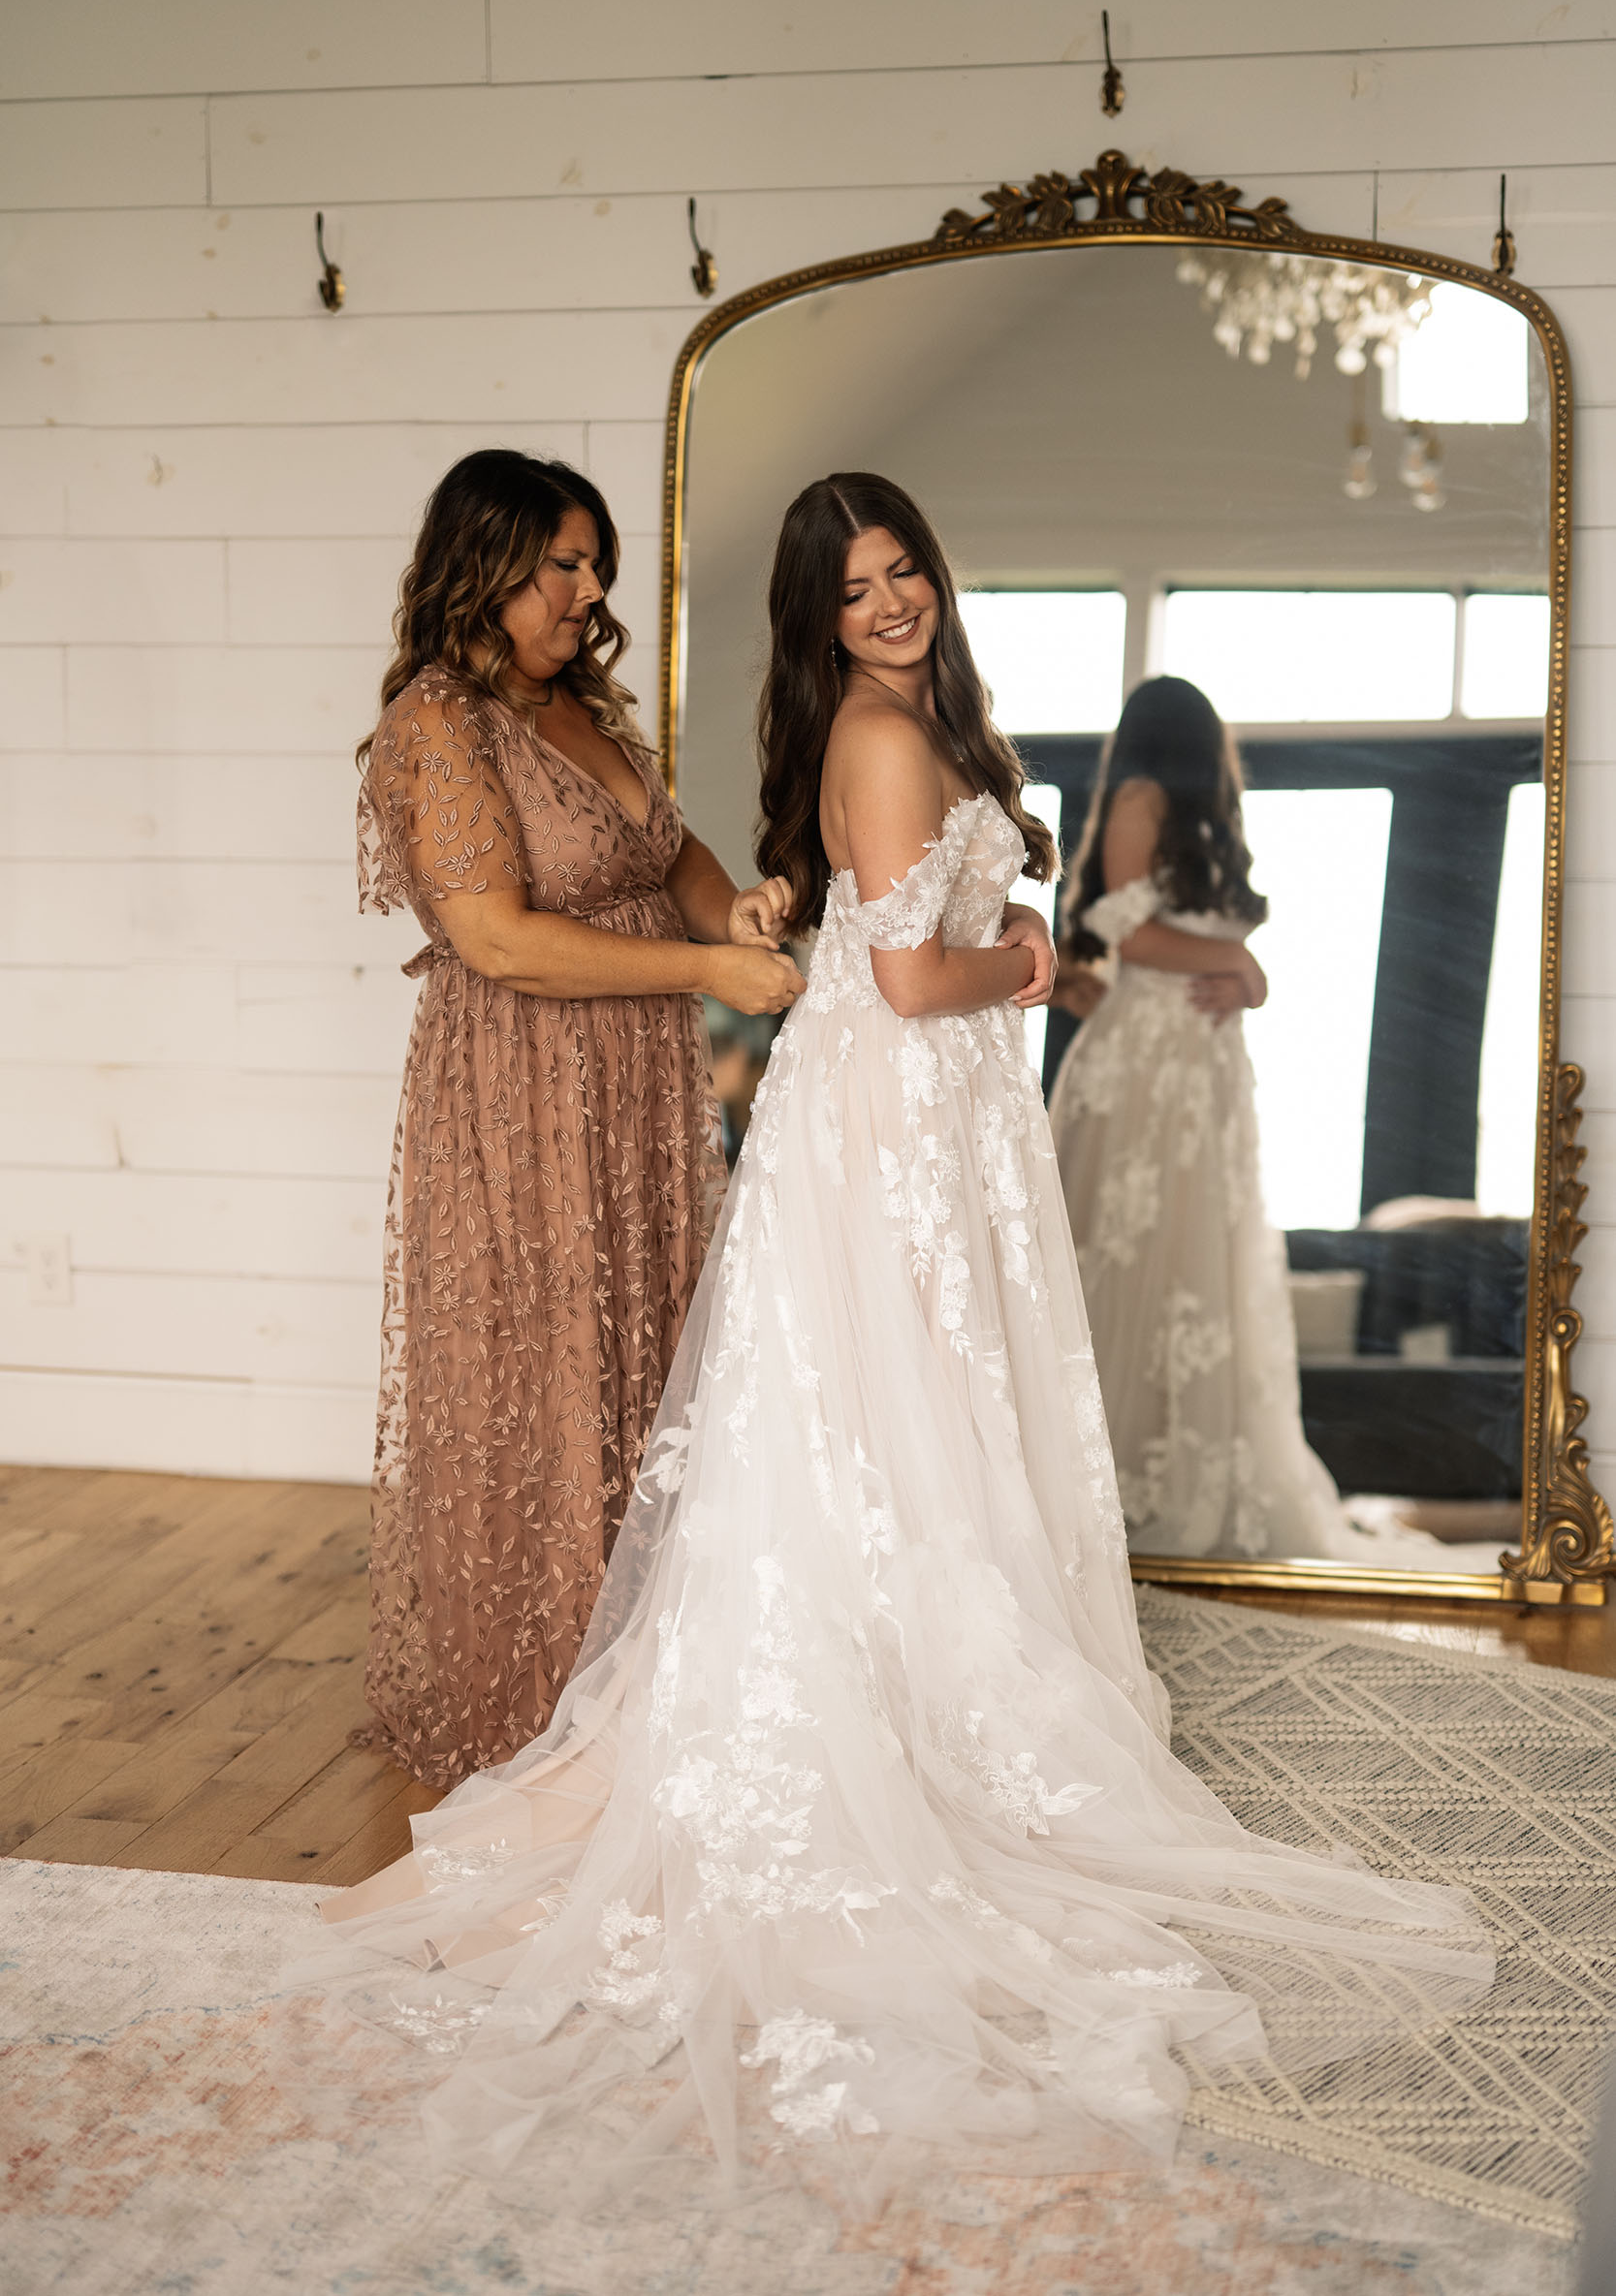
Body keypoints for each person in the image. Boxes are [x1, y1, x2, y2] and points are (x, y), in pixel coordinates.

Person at [310, 480, 1486, 2208]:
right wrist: (1013, 954)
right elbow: (892, 971)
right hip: (811, 1095)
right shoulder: (830, 734)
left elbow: (764, 899)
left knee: (892, 1414)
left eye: (903, 569)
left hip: (882, 1113)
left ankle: (913, 1666)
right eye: (853, 584)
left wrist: (775, 927)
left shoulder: (733, 719)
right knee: (860, 1415)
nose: (888, 600)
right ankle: (800, 1702)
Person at [353, 450, 802, 1787]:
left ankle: (641, 1675)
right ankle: (538, 1697)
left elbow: (669, 854)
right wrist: (705, 972)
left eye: (593, 562)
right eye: (563, 562)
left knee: (639, 1361)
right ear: (483, 564)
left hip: (635, 1090)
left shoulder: (576, 708)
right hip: (522, 1085)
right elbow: (497, 939)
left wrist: (736, 915)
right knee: (538, 1375)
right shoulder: (436, 725)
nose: (587, 589)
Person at [1043, 675, 1489, 1566]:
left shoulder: (1190, 821)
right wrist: (1240, 961)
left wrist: (1247, 974)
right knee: (1122, 1267)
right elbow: (1124, 933)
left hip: (1195, 1080)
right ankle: (1100, 1488)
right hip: (1144, 1077)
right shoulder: (1140, 799)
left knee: (1190, 1267)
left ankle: (1175, 1478)